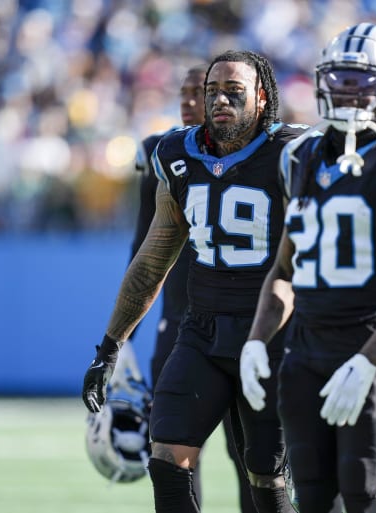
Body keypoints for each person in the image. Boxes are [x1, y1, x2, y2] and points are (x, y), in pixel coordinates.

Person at [82, 50, 306, 513]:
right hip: (201, 332)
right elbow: (151, 262)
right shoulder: (179, 155)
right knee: (166, 459)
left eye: (234, 91)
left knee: (265, 477)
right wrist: (109, 347)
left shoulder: (294, 153)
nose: (220, 100)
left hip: (269, 336)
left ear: (262, 99)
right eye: (212, 91)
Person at [240, 23, 376, 513]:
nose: (347, 94)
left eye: (363, 83)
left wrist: (369, 358)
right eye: (339, 81)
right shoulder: (301, 156)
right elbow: (285, 268)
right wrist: (256, 338)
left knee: (367, 496)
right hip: (306, 349)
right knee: (312, 498)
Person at [123, 64, 256, 513]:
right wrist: (122, 342)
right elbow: (144, 251)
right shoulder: (164, 153)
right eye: (183, 93)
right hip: (180, 327)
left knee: (252, 459)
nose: (187, 102)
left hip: (244, 324)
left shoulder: (267, 151)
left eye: (195, 94)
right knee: (173, 454)